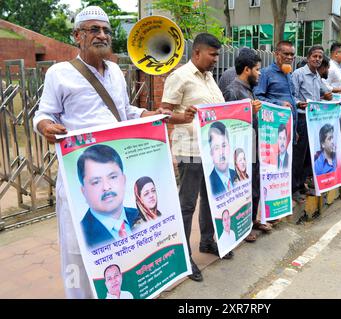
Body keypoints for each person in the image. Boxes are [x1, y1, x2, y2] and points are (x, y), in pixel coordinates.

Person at [32, 6, 170, 299]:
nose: (102, 35)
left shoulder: (117, 74)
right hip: (80, 176)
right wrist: (45, 125)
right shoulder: (60, 73)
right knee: (78, 249)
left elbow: (125, 112)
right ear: (77, 36)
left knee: (123, 245)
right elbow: (43, 113)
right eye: (94, 29)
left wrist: (150, 113)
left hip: (116, 171)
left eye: (106, 30)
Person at [161, 33, 233, 283]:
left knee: (211, 200)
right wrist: (185, 117)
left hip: (212, 150)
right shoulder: (179, 77)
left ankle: (207, 241)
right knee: (188, 203)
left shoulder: (209, 77)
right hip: (189, 150)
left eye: (217, 54)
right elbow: (164, 114)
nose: (216, 59)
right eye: (212, 54)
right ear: (197, 53)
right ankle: (184, 256)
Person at [222, 49, 271, 242]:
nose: (259, 73)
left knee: (255, 184)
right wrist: (249, 112)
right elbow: (228, 123)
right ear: (246, 69)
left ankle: (252, 220)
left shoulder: (248, 90)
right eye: (257, 70)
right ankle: (242, 227)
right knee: (243, 188)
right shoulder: (233, 91)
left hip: (252, 146)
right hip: (240, 151)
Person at [77, 144, 139, 248]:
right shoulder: (80, 236)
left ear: (123, 180)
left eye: (113, 177)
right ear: (84, 192)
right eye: (96, 182)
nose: (106, 187)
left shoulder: (142, 216)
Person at [291, 45, 332, 199]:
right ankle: (293, 188)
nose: (317, 59)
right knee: (299, 154)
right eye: (315, 56)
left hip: (314, 120)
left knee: (310, 153)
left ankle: (302, 185)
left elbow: (325, 92)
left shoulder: (316, 76)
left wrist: (328, 95)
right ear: (308, 57)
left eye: (320, 57)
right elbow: (292, 96)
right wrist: (297, 103)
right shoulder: (298, 74)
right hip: (302, 118)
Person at [208, 121, 237, 196]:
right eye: (216, 148)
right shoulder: (209, 183)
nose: (221, 153)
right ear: (211, 153)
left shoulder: (236, 175)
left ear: (229, 147)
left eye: (224, 145)